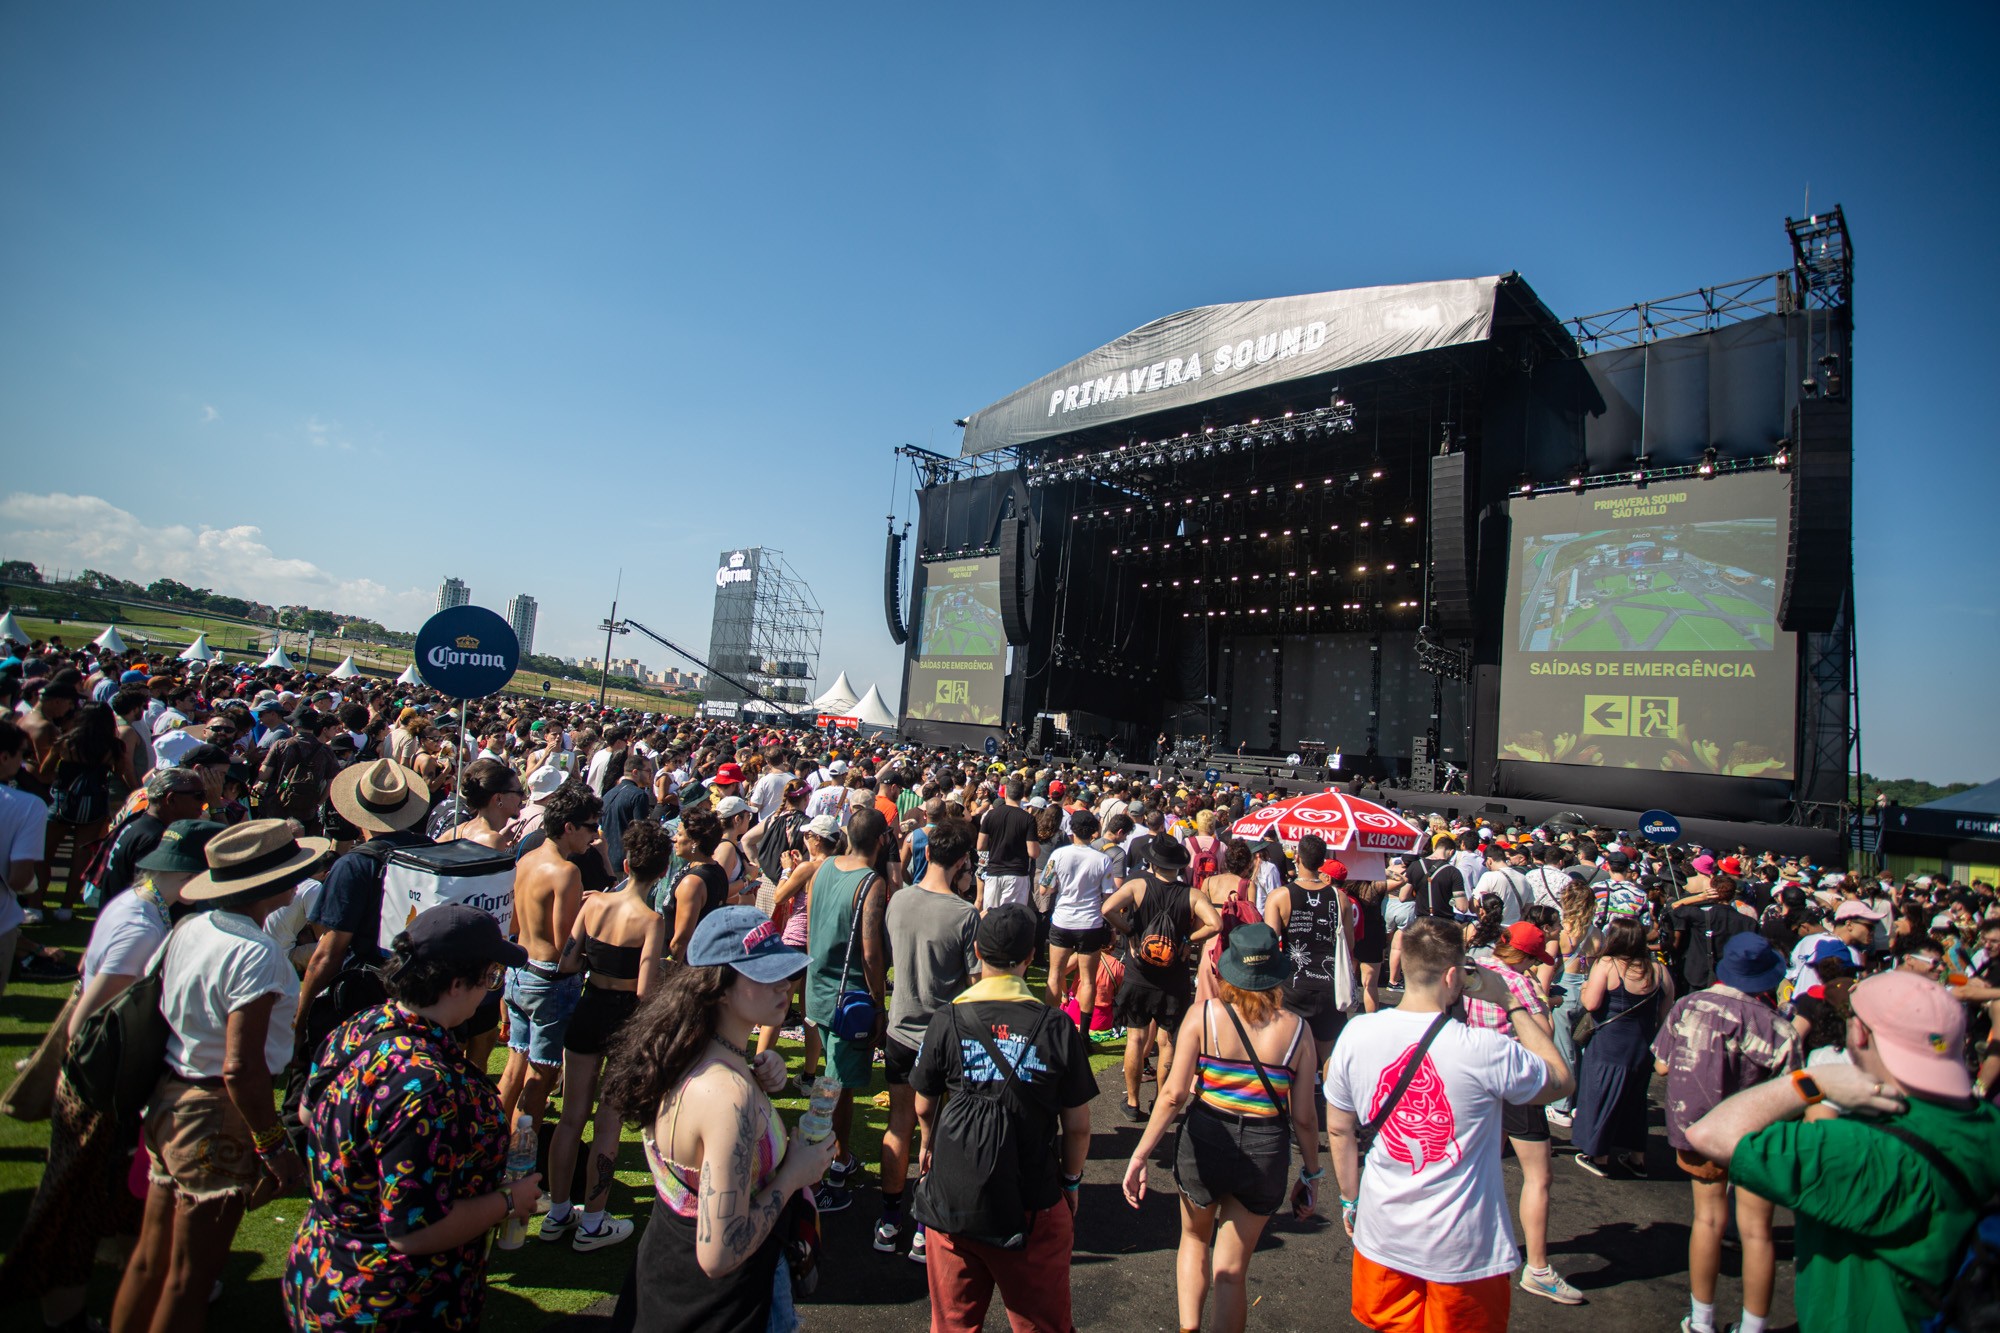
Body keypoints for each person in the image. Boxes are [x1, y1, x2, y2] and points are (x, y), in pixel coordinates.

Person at [0, 819, 222, 1333]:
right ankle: (66, 1316)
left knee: (116, 1201)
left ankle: (142, 1277)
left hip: (103, 1086)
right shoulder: (141, 926)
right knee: (72, 1211)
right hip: (100, 1089)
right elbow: (87, 1023)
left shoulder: (136, 903)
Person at [1688, 970, 2000, 1332]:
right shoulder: (1988, 1122)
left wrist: (1811, 1083)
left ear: (1860, 1033)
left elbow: (1711, 1134)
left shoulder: (1859, 1147)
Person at [112, 820, 328, 1333]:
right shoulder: (256, 953)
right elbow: (241, 1065)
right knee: (190, 1276)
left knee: (152, 1257)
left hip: (171, 1096)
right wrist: (275, 1145)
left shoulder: (191, 926)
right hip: (213, 1113)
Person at [283, 906, 541, 1330]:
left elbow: (309, 1113)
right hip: (390, 1301)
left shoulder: (362, 1024)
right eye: (490, 977)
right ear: (457, 984)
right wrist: (509, 1201)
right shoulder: (425, 1083)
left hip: (324, 1263)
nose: (490, 990)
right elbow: (414, 1230)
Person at [1324, 916, 1574, 1333]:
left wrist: (1350, 1200)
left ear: (1401, 963)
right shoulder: (1485, 1049)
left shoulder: (1356, 1033)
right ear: (1455, 975)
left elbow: (1339, 1129)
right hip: (1464, 1251)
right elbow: (1561, 1079)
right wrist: (1510, 1001)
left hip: (1382, 1232)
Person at [599, 905, 837, 1333]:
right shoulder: (727, 1094)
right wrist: (793, 1176)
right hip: (724, 1303)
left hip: (666, 1277)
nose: (784, 983)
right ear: (720, 987)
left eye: (783, 969)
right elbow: (720, 1253)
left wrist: (762, 1076)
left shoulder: (684, 1051)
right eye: (765, 973)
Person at [1121, 924, 1321, 1333]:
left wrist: (1140, 1154)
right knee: (1231, 1270)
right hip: (1266, 1145)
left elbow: (1174, 1095)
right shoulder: (1298, 1031)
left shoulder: (1204, 1016)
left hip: (1206, 1137)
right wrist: (1312, 1173)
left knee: (1194, 1242)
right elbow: (1304, 1117)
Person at [911, 904, 1095, 1333]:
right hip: (1032, 1202)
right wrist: (1070, 1182)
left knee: (952, 1324)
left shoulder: (948, 1017)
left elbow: (924, 1103)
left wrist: (928, 1144)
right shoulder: (1056, 1025)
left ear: (977, 950)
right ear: (1030, 958)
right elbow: (1079, 1125)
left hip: (953, 1199)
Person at [1651, 933, 1797, 1333]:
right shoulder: (1780, 1029)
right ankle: (1753, 1326)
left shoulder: (1689, 1006)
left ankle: (1701, 1320)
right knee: (1757, 1233)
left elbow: (1662, 1066)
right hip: (1757, 1137)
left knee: (1708, 1221)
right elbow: (1793, 1094)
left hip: (1699, 1129)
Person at [540, 818, 670, 1253]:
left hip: (588, 1008)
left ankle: (558, 1213)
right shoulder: (651, 920)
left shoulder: (593, 904)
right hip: (623, 1022)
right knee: (607, 1123)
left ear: (627, 862)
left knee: (571, 1116)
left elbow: (568, 962)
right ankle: (592, 1221)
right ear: (662, 871)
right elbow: (646, 990)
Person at [1458, 921, 1584, 1305]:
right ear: (1526, 956)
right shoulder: (1521, 984)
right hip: (1514, 1077)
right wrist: (1545, 1006)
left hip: (1476, 1072)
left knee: (1481, 1162)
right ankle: (1539, 1268)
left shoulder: (1474, 968)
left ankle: (1472, 1241)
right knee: (1539, 1175)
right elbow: (1542, 1033)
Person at [876, 814, 980, 1262]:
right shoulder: (964, 914)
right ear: (961, 862)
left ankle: (888, 1219)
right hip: (942, 1039)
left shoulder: (898, 901)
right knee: (933, 1132)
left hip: (900, 1030)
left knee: (899, 1125)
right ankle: (923, 1224)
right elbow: (977, 986)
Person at [802, 806, 891, 1211]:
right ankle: (824, 1172)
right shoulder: (871, 882)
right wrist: (878, 1003)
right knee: (834, 1088)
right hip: (848, 998)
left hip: (819, 988)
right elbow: (872, 954)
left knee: (836, 1082)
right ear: (881, 840)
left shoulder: (822, 868)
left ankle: (839, 1155)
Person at [498, 783, 597, 1138]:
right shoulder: (565, 872)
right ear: (569, 827)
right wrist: (590, 911)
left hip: (519, 971)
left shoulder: (526, 859)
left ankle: (493, 1144)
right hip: (548, 981)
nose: (594, 835)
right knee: (541, 1075)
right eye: (590, 827)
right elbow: (562, 946)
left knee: (514, 1066)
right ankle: (520, 1157)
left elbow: (513, 923)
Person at [1104, 837, 1222, 1122]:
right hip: (1173, 977)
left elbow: (1107, 909)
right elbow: (1215, 924)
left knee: (1135, 1037)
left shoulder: (1137, 886)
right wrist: (1187, 940)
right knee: (1167, 1042)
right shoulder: (1191, 894)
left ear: (1152, 863)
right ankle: (1161, 1100)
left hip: (1139, 973)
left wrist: (1130, 931)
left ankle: (1132, 1102)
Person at [1573, 916, 1674, 1176]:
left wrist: (1584, 989)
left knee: (1601, 1094)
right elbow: (1666, 1013)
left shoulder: (1607, 964)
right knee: (1634, 1100)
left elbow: (1592, 1004)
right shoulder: (1659, 971)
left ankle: (1599, 1155)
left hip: (1609, 1042)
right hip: (1641, 1045)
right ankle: (1637, 1157)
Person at [1262, 835, 1359, 1084]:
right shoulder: (1340, 898)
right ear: (1323, 862)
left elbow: (1270, 943)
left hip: (1293, 984)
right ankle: (1328, 1107)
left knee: (1290, 1053)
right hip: (1330, 985)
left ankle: (1295, 1111)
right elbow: (1349, 945)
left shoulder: (1280, 896)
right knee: (1328, 1055)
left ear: (1297, 858)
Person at [1041, 808, 1117, 1028]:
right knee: (1088, 979)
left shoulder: (1059, 855)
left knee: (1055, 974)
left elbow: (1045, 888)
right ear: (1093, 832)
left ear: (1071, 830)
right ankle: (1083, 1032)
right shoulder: (1103, 860)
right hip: (1090, 923)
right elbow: (1107, 895)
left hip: (1063, 920)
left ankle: (1050, 1026)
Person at [664, 805, 730, 957]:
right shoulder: (715, 869)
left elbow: (682, 939)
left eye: (680, 834)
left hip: (685, 967)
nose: (674, 838)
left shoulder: (693, 883)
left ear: (695, 842)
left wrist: (668, 969)